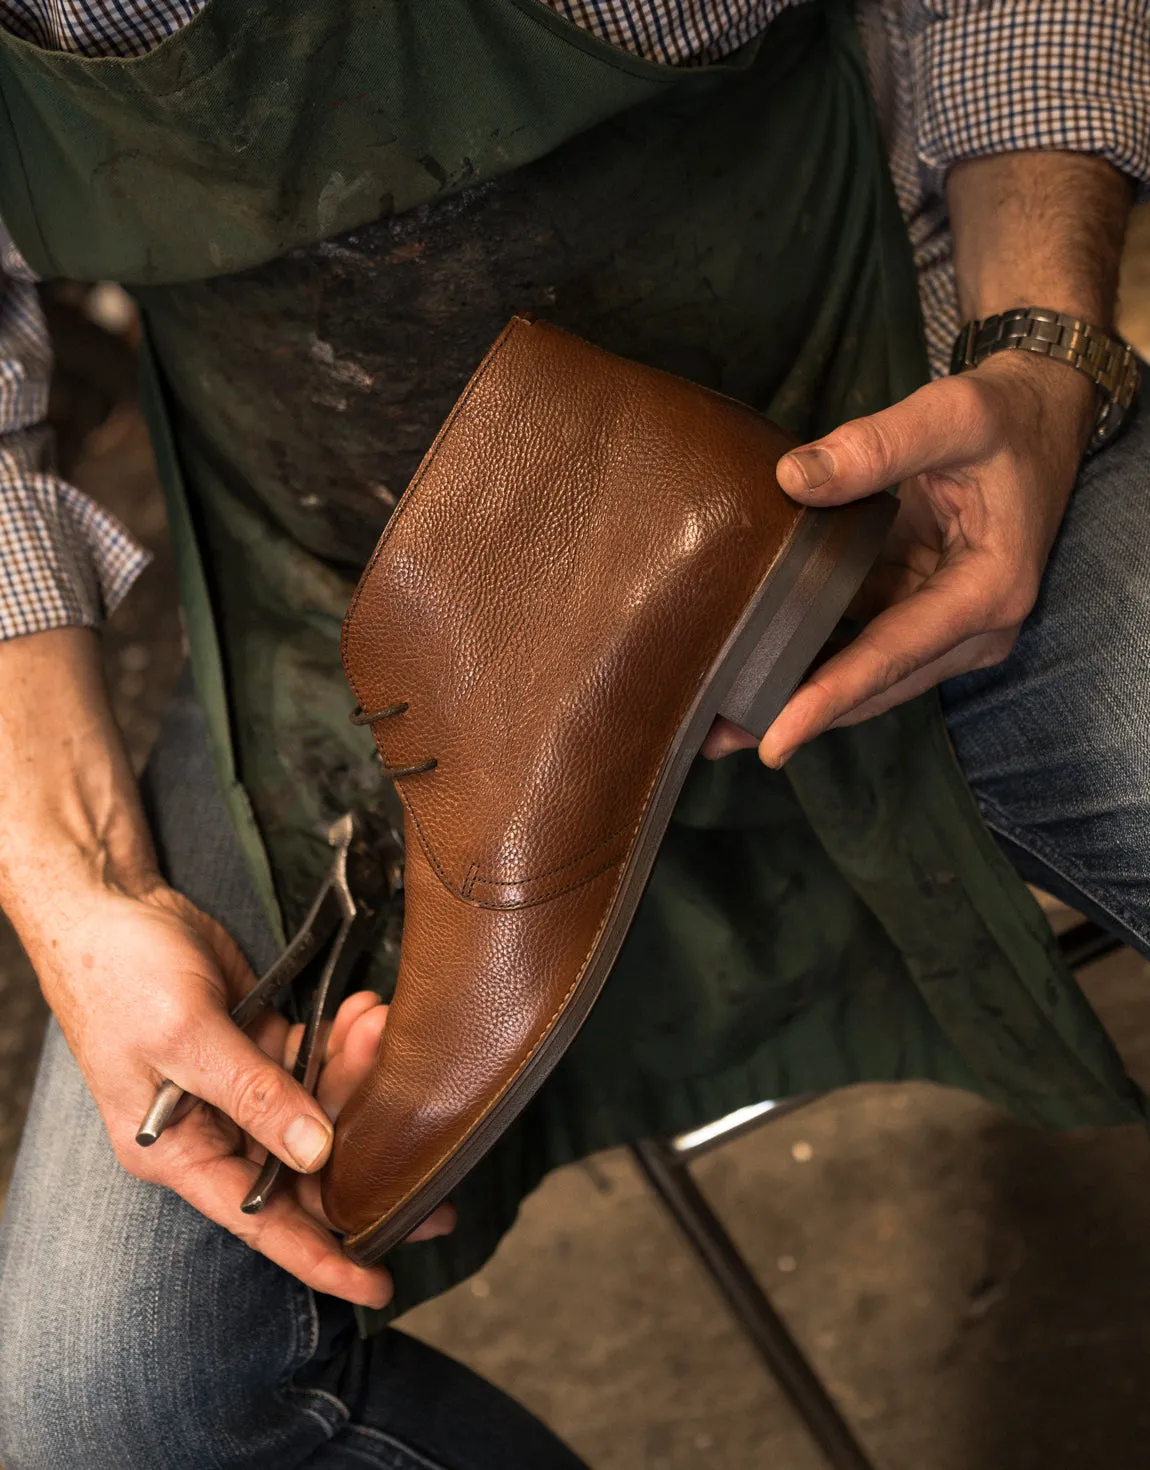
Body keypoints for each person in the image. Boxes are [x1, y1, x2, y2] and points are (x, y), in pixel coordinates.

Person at [0, 1, 1147, 1466]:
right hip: (331, 571)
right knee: (110, 1410)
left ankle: (699, 521)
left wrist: (1040, 338)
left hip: (876, 413)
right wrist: (67, 877)